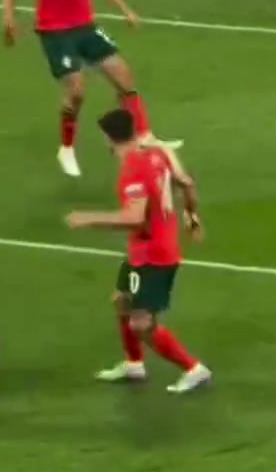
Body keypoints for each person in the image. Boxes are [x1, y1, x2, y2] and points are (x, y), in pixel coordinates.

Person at [2, 0, 152, 180]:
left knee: (124, 78)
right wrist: (8, 18)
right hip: (55, 33)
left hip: (85, 27)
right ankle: (67, 147)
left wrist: (125, 10)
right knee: (77, 92)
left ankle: (144, 137)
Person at [65, 108, 210, 394]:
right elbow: (186, 182)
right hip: (148, 249)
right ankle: (134, 364)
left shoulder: (132, 169)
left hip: (152, 255)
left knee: (141, 324)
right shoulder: (158, 153)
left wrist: (88, 219)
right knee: (122, 300)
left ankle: (194, 369)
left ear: (108, 138)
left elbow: (135, 218)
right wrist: (192, 218)